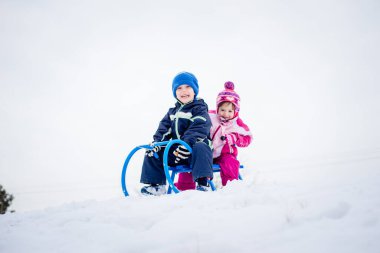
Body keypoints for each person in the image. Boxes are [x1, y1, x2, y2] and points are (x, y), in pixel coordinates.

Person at [140, 71, 214, 195]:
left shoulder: (199, 109)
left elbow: (199, 127)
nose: (183, 91)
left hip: (194, 152)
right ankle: (156, 185)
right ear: (175, 92)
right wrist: (157, 143)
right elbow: (163, 130)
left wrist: (186, 144)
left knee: (202, 147)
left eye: (188, 87)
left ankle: (202, 184)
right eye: (179, 88)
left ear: (195, 90)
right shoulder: (172, 112)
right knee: (153, 151)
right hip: (177, 152)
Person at [175, 81, 252, 189]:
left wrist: (234, 138)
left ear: (236, 111)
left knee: (231, 162)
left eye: (230, 111)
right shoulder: (210, 116)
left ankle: (231, 186)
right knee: (192, 158)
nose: (225, 113)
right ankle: (185, 187)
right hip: (207, 153)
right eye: (222, 110)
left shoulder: (237, 124)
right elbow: (199, 123)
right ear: (217, 108)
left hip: (225, 154)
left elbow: (248, 138)